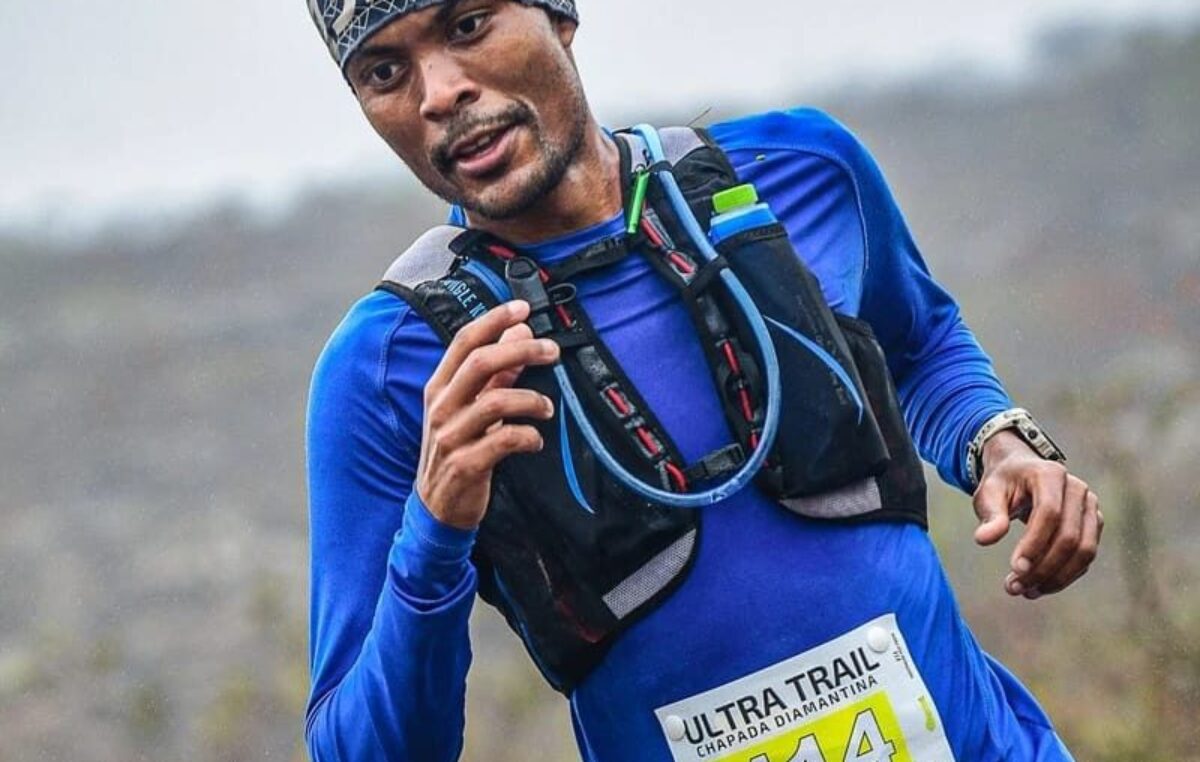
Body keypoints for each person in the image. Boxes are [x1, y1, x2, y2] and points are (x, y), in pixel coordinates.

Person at [303, 1, 1103, 760]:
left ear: (559, 15)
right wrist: (435, 527)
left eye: (469, 24)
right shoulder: (392, 367)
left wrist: (998, 442)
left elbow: (920, 343)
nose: (440, 93)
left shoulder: (797, 175)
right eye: (384, 72)